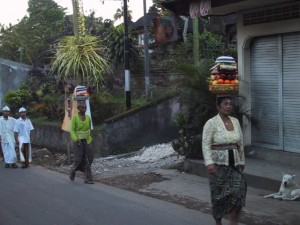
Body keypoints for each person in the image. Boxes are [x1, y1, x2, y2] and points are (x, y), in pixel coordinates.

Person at [202, 95, 247, 225]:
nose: (228, 106)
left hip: (235, 165)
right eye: (225, 104)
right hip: (218, 166)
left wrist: (242, 161)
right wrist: (209, 162)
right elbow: (205, 144)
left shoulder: (235, 121)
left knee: (239, 194)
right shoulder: (211, 123)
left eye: (230, 104)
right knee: (219, 197)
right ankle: (218, 222)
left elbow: (241, 144)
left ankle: (233, 223)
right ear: (218, 106)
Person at [69, 101, 94, 184]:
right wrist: (76, 139)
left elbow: (89, 129)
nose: (84, 109)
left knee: (90, 158)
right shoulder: (75, 118)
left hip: (87, 140)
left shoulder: (88, 117)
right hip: (78, 141)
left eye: (85, 107)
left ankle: (87, 178)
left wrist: (90, 137)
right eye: (82, 107)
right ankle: (73, 170)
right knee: (79, 159)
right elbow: (72, 130)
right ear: (78, 109)